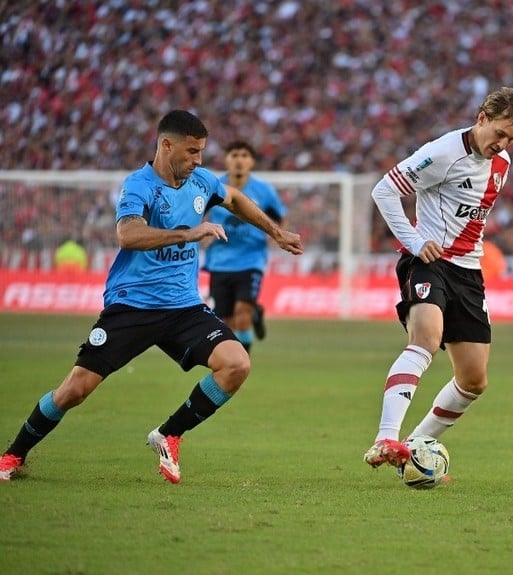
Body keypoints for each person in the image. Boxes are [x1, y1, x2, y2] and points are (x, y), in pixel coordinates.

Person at [0, 110, 304, 483]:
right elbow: (128, 235)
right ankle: (13, 455)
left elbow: (236, 199)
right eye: (192, 152)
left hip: (183, 308)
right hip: (132, 306)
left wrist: (276, 232)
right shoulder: (139, 185)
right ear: (166, 145)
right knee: (75, 390)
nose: (199, 160)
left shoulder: (202, 182)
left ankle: (169, 434)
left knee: (236, 364)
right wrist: (188, 234)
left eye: (202, 152)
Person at [363, 86, 513, 469]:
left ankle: (414, 446)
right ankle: (385, 438)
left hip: (469, 272)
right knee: (425, 338)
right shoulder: (442, 153)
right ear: (482, 118)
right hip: (428, 260)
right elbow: (384, 190)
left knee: (474, 380)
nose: (503, 144)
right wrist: (415, 239)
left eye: (512, 139)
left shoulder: (502, 164)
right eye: (500, 133)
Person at [203, 140, 286, 352]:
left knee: (242, 314)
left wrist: (277, 236)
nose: (239, 160)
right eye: (234, 155)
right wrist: (202, 234)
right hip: (220, 262)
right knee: (225, 321)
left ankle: (242, 363)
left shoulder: (264, 191)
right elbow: (199, 216)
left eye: (244, 156)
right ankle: (255, 314)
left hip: (251, 260)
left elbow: (279, 219)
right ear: (226, 160)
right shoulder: (213, 188)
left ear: (252, 162)